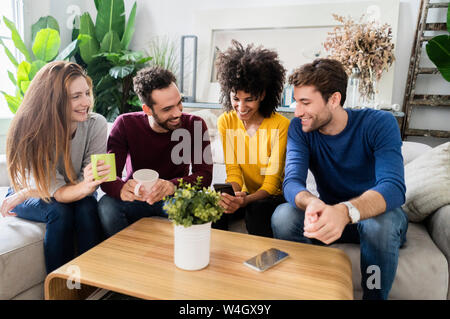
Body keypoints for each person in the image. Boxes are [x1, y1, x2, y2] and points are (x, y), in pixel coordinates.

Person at [271, 58, 408, 300]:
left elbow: (393, 187)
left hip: (375, 216)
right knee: (283, 216)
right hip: (331, 215)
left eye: (305, 102)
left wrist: (345, 211)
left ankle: (374, 296)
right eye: (296, 102)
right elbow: (292, 182)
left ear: (334, 99)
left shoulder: (379, 123)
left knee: (380, 225)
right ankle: (309, 292)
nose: (297, 111)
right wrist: (312, 203)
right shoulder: (300, 128)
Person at [1, 61, 108, 273]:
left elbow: (84, 185)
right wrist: (26, 192)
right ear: (53, 99)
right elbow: (58, 193)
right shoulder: (32, 133)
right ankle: (59, 290)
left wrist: (87, 184)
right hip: (32, 190)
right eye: (76, 96)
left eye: (86, 93)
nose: (86, 102)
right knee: (59, 211)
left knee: (87, 208)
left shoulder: (96, 124)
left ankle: (93, 285)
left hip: (57, 189)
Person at [98, 66, 213, 237]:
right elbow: (106, 176)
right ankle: (125, 259)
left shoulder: (195, 125)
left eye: (179, 103)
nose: (177, 113)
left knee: (201, 206)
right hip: (137, 199)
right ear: (147, 110)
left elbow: (204, 175)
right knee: (107, 205)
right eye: (167, 109)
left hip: (175, 197)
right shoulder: (125, 124)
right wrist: (121, 188)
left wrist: (171, 186)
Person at [214, 40, 290, 237]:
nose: (241, 107)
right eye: (235, 99)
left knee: (256, 210)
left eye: (249, 99)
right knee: (216, 204)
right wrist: (232, 196)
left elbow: (271, 184)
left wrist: (245, 201)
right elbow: (233, 171)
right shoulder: (226, 121)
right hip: (245, 193)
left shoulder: (280, 125)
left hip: (275, 196)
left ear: (263, 95)